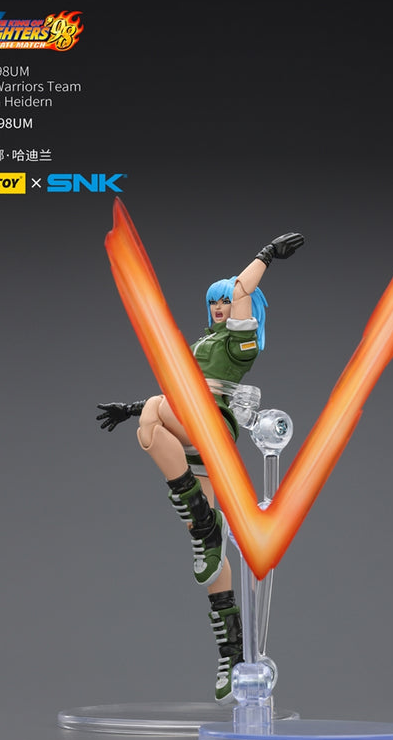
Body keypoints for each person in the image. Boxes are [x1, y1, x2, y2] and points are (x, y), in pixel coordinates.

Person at [97, 230, 304, 702]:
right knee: (149, 432)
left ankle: (206, 529)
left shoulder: (238, 344)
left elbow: (243, 289)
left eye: (225, 301)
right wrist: (130, 409)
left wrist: (266, 255)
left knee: (155, 408)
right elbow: (180, 392)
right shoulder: (204, 342)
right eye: (214, 302)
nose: (220, 307)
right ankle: (231, 651)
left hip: (213, 425)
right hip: (191, 436)